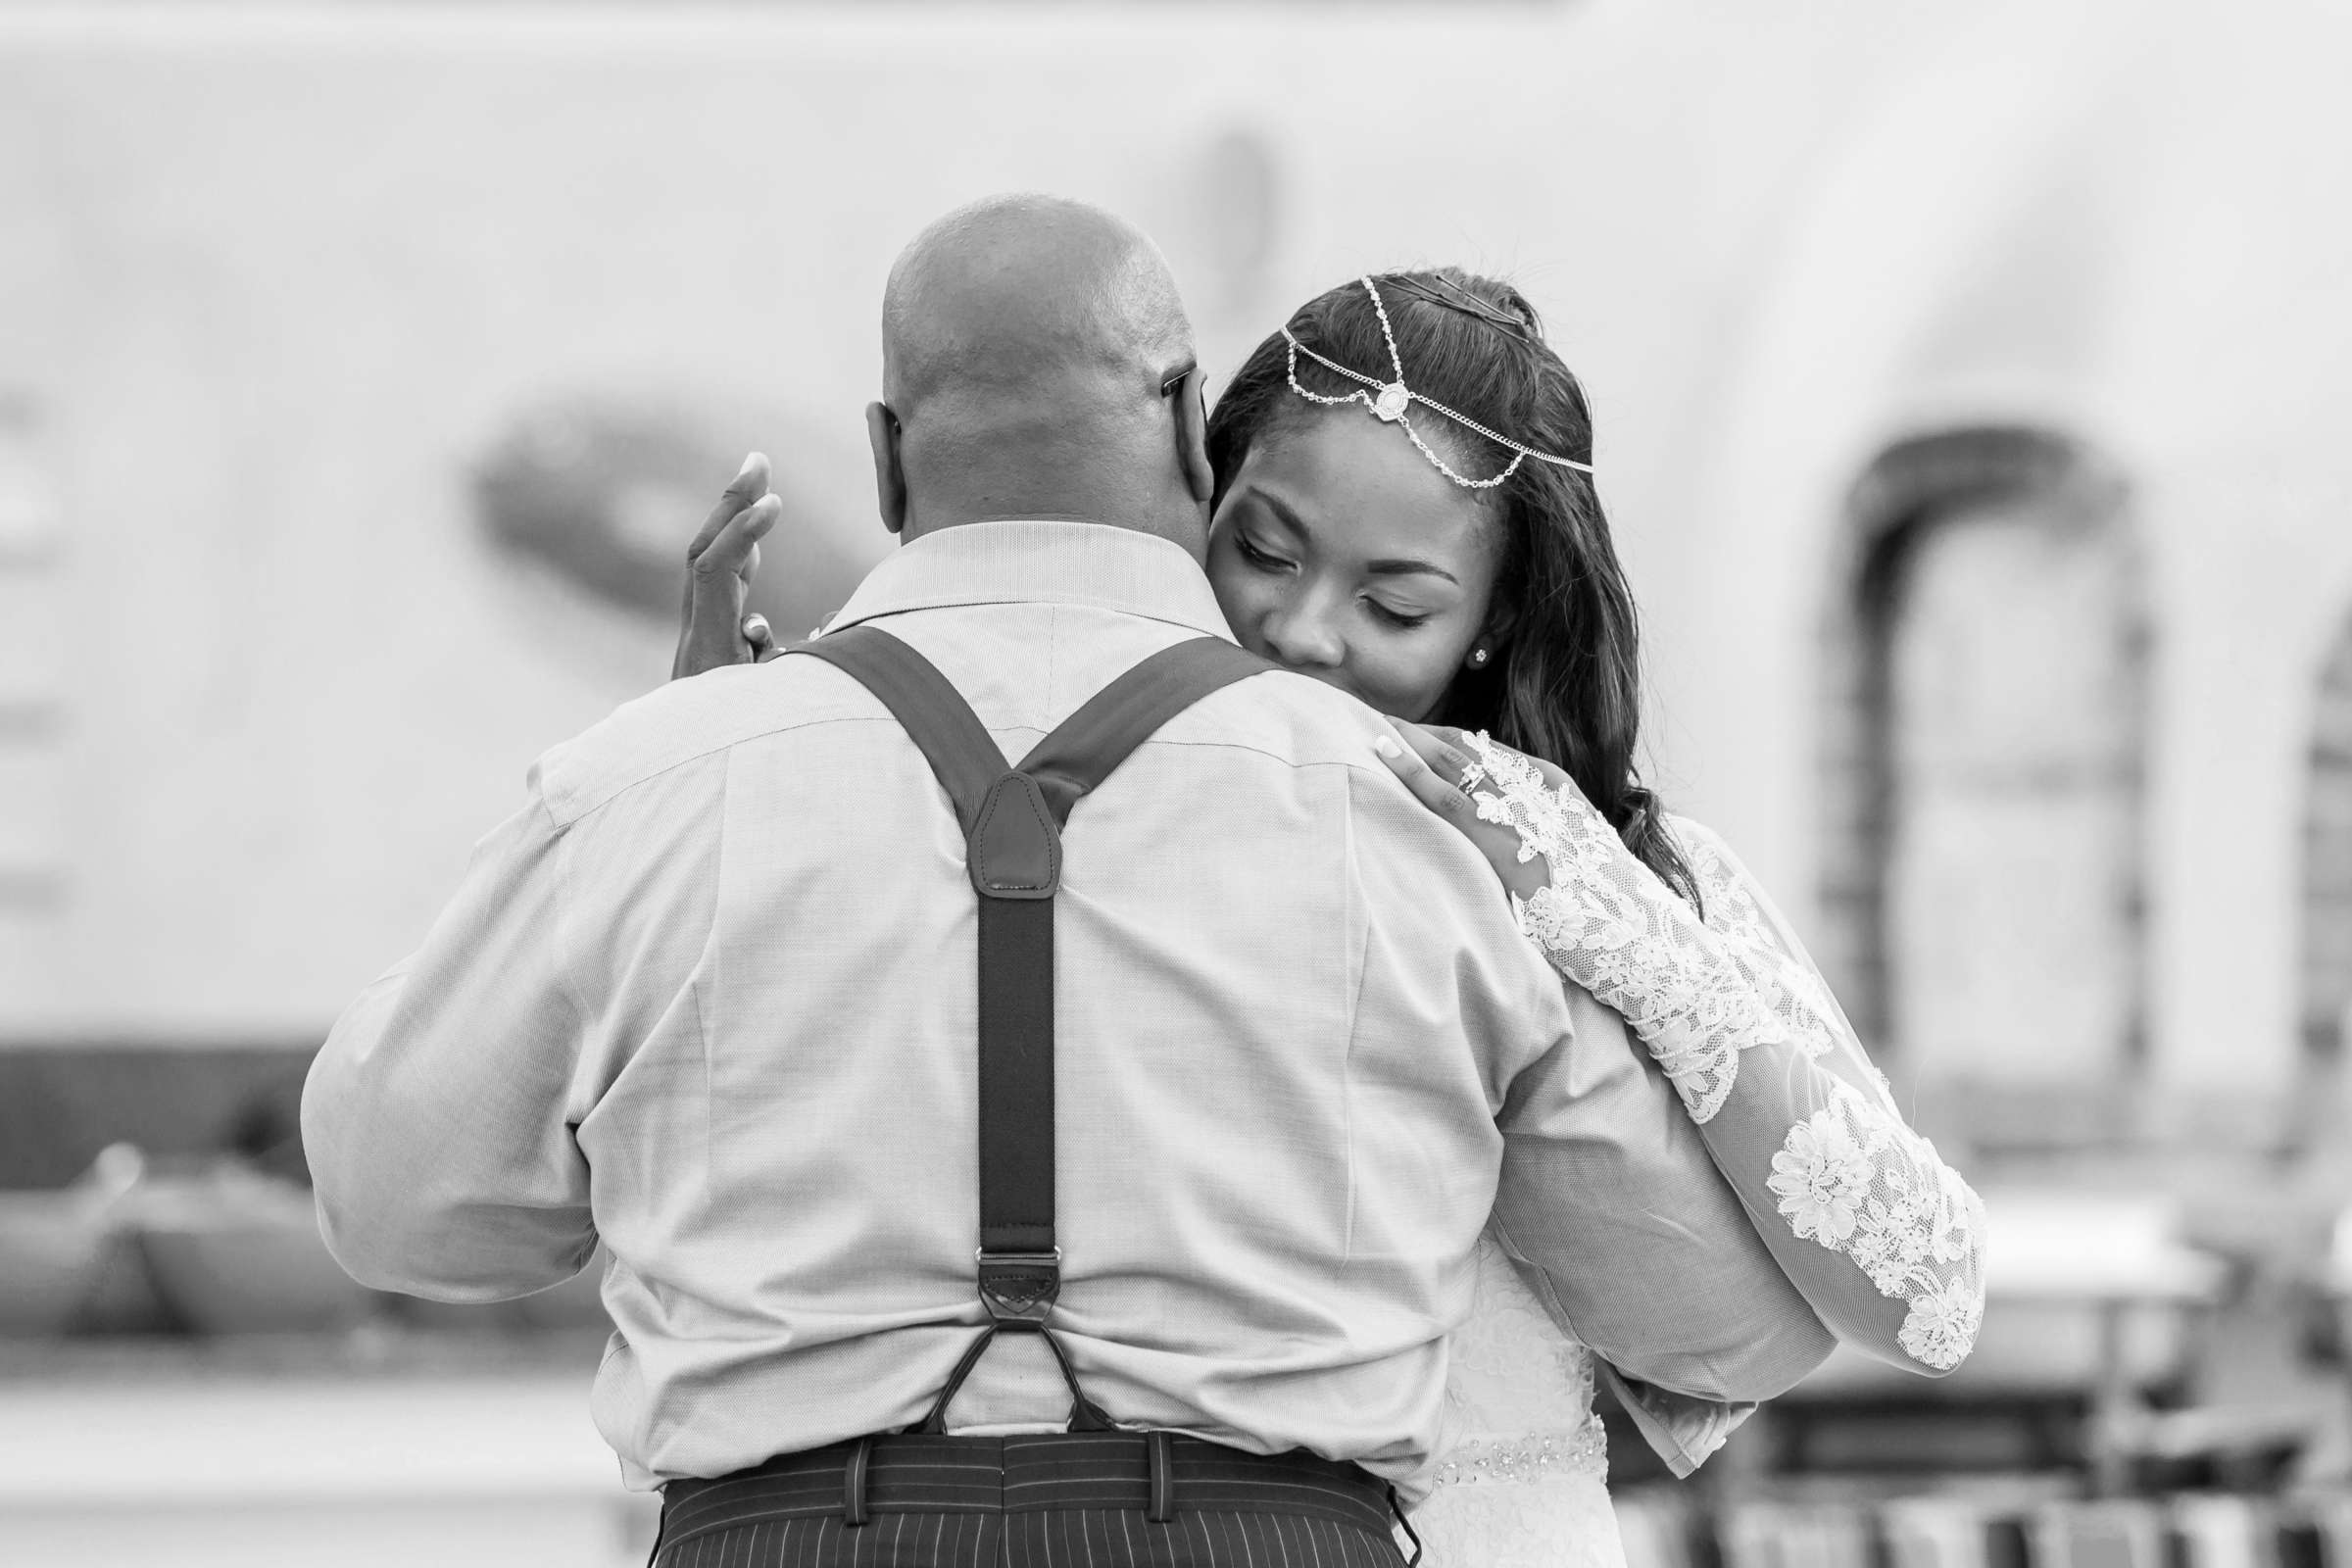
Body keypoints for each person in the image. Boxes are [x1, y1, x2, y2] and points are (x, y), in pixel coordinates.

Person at [672, 250, 1988, 1564]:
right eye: (1266, 551)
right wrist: (757, 763)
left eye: (1393, 603)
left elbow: (1929, 1298)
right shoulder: (1073, 806)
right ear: (1197, 497)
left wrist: (1592, 897)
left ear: (1490, 624)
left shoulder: (1602, 862)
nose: (1305, 631)